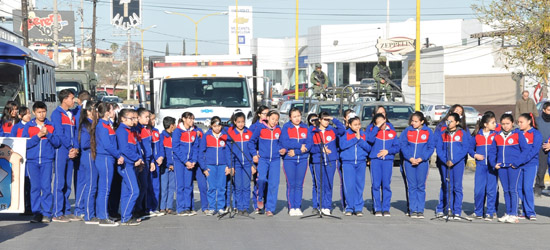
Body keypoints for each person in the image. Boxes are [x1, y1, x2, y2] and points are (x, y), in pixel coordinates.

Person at [24, 101, 61, 223]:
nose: (41, 114)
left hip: (47, 160)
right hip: (32, 161)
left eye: (43, 112)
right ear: (34, 112)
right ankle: (36, 213)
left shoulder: (51, 125)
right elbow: (25, 144)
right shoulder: (29, 126)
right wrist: (38, 135)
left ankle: (46, 213)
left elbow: (57, 142)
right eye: (39, 112)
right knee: (35, 187)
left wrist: (48, 134)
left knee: (46, 187)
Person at [249, 110, 286, 216]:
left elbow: (281, 143)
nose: (275, 121)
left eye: (277, 120)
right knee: (261, 179)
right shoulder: (260, 127)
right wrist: (254, 154)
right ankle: (259, 197)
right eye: (273, 119)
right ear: (268, 118)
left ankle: (269, 208)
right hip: (263, 160)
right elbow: (251, 142)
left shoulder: (278, 129)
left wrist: (283, 149)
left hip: (275, 160)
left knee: (273, 184)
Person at [494, 114, 529, 224]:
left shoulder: (517, 134)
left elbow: (526, 150)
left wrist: (517, 163)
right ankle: (508, 213)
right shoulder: (497, 135)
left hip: (513, 167)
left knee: (513, 190)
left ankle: (514, 214)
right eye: (503, 124)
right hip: (502, 167)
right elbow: (492, 151)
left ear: (512, 123)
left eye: (507, 124)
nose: (505, 126)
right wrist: (494, 163)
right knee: (506, 190)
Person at [399, 111, 435, 219]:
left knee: (421, 186)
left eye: (416, 121)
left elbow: (431, 147)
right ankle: (413, 209)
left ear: (422, 122)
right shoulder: (407, 131)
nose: (413, 123)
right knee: (412, 186)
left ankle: (420, 210)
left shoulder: (428, 131)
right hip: (409, 162)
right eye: (412, 121)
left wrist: (422, 158)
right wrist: (410, 158)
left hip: (422, 163)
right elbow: (403, 145)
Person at [435, 112, 471, 219]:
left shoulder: (461, 133)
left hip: (457, 163)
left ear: (457, 122)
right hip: (445, 163)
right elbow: (439, 148)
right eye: (447, 121)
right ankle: (448, 209)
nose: (449, 123)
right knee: (447, 186)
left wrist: (454, 160)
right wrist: (445, 160)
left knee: (457, 187)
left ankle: (457, 211)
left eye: (451, 121)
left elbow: (464, 148)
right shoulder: (444, 133)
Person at [309, 112, 345, 215]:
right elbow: (310, 147)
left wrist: (333, 119)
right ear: (319, 120)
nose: (326, 121)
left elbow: (342, 130)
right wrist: (321, 149)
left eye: (328, 120)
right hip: (318, 160)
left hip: (331, 160)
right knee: (320, 184)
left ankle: (327, 206)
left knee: (329, 183)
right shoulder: (313, 132)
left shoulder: (332, 130)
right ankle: (320, 206)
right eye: (324, 119)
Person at [51, 89, 79, 222]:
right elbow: (60, 134)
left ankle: (66, 210)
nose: (73, 101)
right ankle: (57, 212)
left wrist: (75, 149)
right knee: (59, 182)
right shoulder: (57, 114)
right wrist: (70, 147)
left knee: (68, 183)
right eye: (72, 98)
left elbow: (74, 133)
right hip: (62, 150)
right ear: (64, 99)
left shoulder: (71, 115)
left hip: (71, 151)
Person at [94, 102, 122, 227]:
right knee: (104, 189)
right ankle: (102, 216)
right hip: (105, 158)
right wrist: (118, 155)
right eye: (111, 110)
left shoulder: (107, 125)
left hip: (108, 158)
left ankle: (104, 213)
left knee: (106, 188)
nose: (113, 112)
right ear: (106, 112)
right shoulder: (102, 126)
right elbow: (107, 145)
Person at [280, 107, 312, 216]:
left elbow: (309, 144)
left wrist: (297, 151)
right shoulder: (286, 127)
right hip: (289, 160)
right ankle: (291, 207)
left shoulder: (305, 128)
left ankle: (297, 206)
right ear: (290, 117)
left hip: (302, 159)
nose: (297, 118)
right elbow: (285, 142)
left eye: (298, 116)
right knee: (291, 184)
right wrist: (299, 145)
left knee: (299, 184)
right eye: (294, 116)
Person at [367, 113, 400, 217]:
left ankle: (386, 208)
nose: (382, 125)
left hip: (388, 161)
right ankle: (377, 208)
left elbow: (397, 147)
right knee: (376, 185)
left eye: (383, 122)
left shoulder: (392, 132)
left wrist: (388, 151)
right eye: (379, 123)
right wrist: (376, 128)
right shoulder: (374, 132)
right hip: (376, 160)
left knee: (386, 185)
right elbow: (369, 140)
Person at [199, 116, 232, 216]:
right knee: (212, 187)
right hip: (210, 166)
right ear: (211, 126)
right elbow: (201, 152)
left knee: (222, 187)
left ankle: (221, 207)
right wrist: (204, 167)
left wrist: (228, 166)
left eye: (219, 126)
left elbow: (228, 152)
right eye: (214, 126)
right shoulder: (207, 136)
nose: (217, 128)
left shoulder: (225, 136)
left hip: (222, 165)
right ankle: (212, 207)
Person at [468, 112, 498, 221]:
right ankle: (478, 212)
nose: (495, 124)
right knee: (479, 190)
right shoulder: (477, 135)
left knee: (491, 190)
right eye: (493, 122)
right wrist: (475, 155)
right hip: (480, 166)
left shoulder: (496, 135)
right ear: (485, 124)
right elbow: (470, 148)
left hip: (492, 167)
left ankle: (490, 212)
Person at [339, 114, 370, 216]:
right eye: (355, 125)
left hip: (361, 162)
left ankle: (358, 207)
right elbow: (342, 146)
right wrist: (355, 139)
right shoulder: (345, 134)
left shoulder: (364, 134)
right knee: (349, 185)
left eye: (359, 124)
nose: (357, 127)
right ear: (350, 125)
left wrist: (360, 139)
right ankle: (349, 207)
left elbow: (368, 148)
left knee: (359, 186)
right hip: (348, 163)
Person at [115, 109, 143, 226]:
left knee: (127, 191)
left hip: (131, 164)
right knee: (134, 190)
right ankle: (126, 216)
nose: (133, 120)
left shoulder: (129, 130)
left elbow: (135, 147)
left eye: (134, 118)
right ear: (123, 119)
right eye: (131, 118)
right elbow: (124, 149)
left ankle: (126, 215)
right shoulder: (122, 131)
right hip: (126, 164)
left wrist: (138, 159)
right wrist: (136, 158)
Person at [172, 112, 203, 216]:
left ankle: (187, 207)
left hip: (190, 162)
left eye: (193, 119)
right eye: (189, 119)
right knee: (180, 185)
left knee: (188, 185)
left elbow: (195, 147)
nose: (192, 121)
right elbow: (176, 148)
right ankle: (180, 208)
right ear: (183, 119)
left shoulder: (194, 131)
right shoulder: (177, 132)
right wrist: (185, 161)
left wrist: (193, 161)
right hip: (180, 162)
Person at [226, 111, 255, 215]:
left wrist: (253, 165)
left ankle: (245, 208)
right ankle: (239, 207)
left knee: (246, 187)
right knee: (238, 187)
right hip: (236, 164)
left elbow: (252, 149)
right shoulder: (231, 133)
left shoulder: (249, 133)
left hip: (247, 164)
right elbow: (228, 151)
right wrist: (230, 166)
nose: (241, 124)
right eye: (238, 122)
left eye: (242, 121)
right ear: (234, 122)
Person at [77, 101, 99, 224]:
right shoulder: (86, 124)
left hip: (92, 154)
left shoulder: (94, 123)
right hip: (88, 155)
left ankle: (90, 211)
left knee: (91, 184)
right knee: (91, 185)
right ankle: (88, 214)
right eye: (94, 110)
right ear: (88, 111)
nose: (96, 113)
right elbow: (84, 143)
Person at [517, 113, 542, 221]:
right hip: (518, 165)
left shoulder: (536, 134)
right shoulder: (517, 133)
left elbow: (534, 151)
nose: (519, 124)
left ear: (529, 122)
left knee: (527, 188)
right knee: (519, 188)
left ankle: (531, 212)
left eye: (521, 122)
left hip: (530, 164)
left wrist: (523, 160)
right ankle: (524, 210)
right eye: (518, 122)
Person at [135, 108, 156, 218]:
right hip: (141, 161)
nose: (148, 119)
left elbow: (150, 147)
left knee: (146, 186)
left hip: (148, 160)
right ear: (139, 117)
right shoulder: (137, 129)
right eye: (146, 117)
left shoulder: (148, 129)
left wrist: (152, 160)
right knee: (141, 186)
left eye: (149, 117)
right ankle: (137, 209)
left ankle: (143, 208)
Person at [250, 105, 269, 213]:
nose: (266, 116)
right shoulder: (254, 127)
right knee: (259, 181)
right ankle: (257, 202)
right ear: (259, 115)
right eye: (264, 114)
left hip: (268, 158)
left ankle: (266, 203)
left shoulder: (271, 125)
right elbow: (251, 143)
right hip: (258, 158)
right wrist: (254, 155)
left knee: (267, 182)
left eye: (268, 113)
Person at [159, 116, 176, 215]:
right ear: (171, 125)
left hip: (173, 167)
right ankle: (162, 207)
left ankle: (169, 206)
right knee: (164, 187)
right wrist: (168, 164)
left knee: (171, 187)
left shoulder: (174, 136)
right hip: (165, 166)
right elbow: (163, 152)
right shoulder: (162, 136)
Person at [149, 113, 164, 215]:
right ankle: (149, 208)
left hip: (158, 163)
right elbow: (148, 149)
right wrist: (153, 160)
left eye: (154, 119)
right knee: (149, 186)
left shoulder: (156, 131)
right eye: (152, 119)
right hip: (151, 163)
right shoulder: (145, 132)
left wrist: (161, 157)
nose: (154, 121)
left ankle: (155, 207)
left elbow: (160, 146)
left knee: (156, 186)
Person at [535, 102, 550, 197]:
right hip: (542, 147)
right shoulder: (537, 121)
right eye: (549, 110)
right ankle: (538, 188)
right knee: (541, 169)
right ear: (544, 110)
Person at [306, 113, 320, 213]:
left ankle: (324, 204)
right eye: (312, 120)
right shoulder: (310, 130)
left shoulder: (321, 130)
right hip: (314, 159)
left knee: (324, 183)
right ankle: (315, 204)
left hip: (325, 159)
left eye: (316, 119)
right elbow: (309, 146)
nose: (314, 122)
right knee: (315, 183)